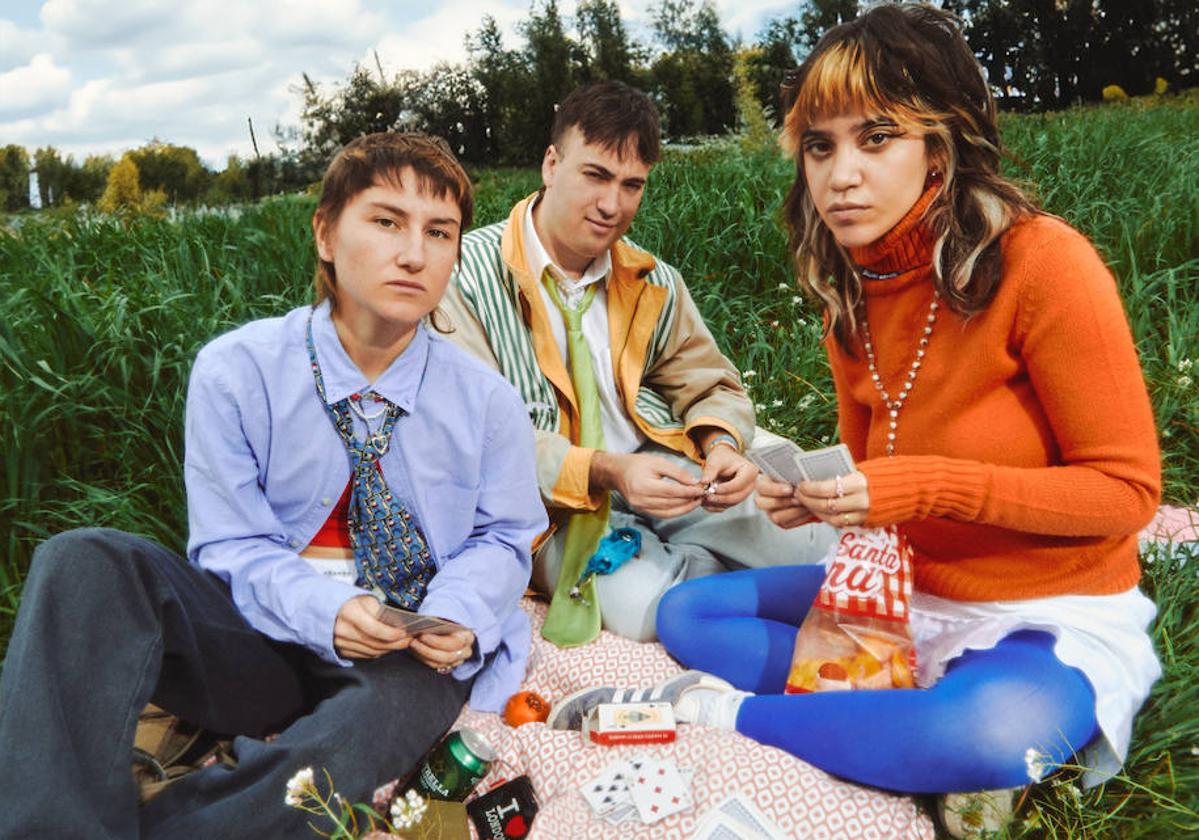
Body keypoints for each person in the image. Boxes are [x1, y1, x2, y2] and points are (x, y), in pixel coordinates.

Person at [550, 4, 1162, 829]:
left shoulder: (1046, 263)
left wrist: (918, 488)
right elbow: (876, 467)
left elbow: (1126, 495)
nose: (840, 174)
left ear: (937, 148)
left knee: (980, 729)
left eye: (876, 139)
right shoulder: (854, 293)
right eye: (819, 144)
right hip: (907, 596)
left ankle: (713, 712)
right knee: (690, 611)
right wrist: (819, 498)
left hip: (1043, 609)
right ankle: (886, 725)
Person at [0, 133, 546, 838]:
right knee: (83, 559)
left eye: (439, 232)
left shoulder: (487, 399)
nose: (414, 253)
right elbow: (229, 547)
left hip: (403, 659)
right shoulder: (237, 371)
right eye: (386, 221)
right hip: (261, 641)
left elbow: (506, 536)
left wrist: (460, 611)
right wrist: (326, 611)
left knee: (355, 736)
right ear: (325, 233)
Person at [442, 80, 834, 646]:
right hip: (544, 509)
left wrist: (723, 445)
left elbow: (708, 380)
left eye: (632, 185)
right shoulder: (463, 276)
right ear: (552, 164)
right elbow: (478, 441)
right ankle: (719, 586)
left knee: (818, 542)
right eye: (595, 175)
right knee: (651, 609)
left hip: (664, 467)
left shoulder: (652, 278)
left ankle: (716, 563)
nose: (612, 205)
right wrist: (607, 471)